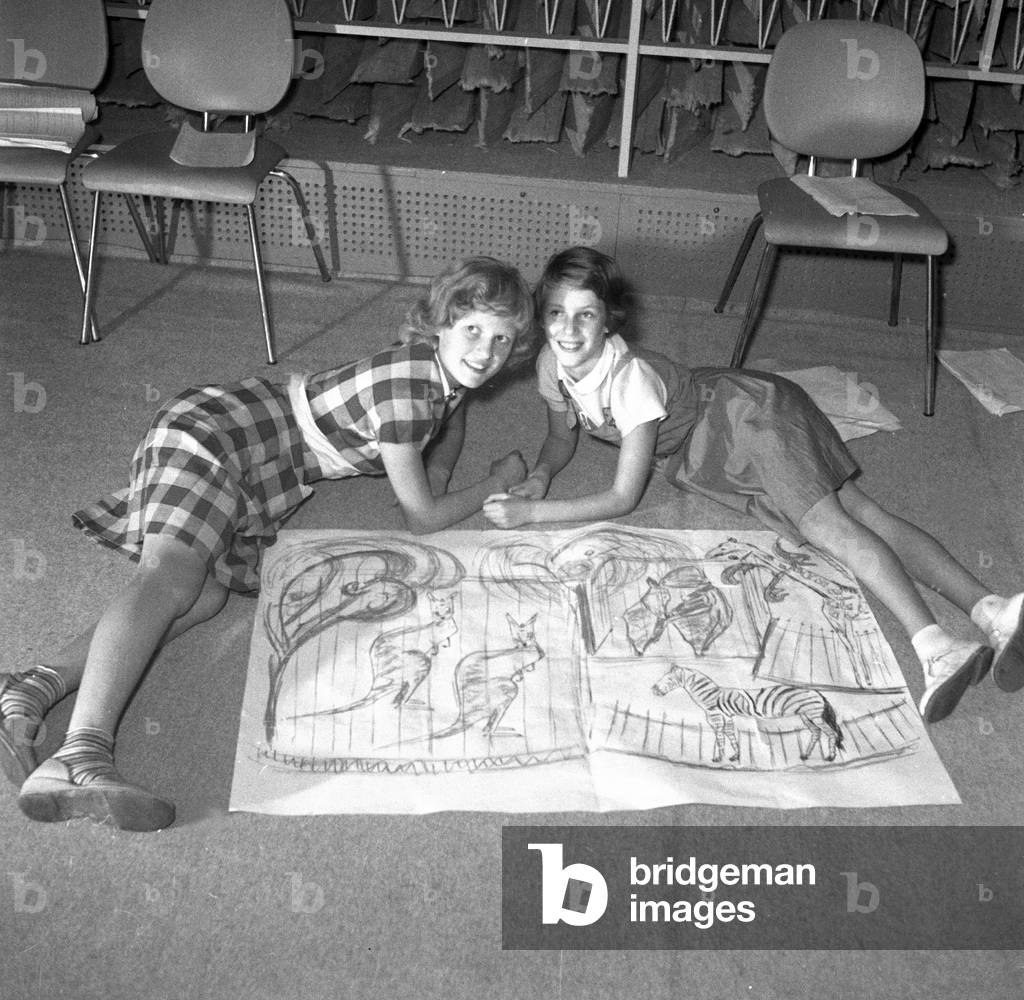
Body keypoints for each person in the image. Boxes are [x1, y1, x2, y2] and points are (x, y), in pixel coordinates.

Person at [0, 255, 536, 831]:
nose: (486, 351)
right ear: (438, 325)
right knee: (172, 577)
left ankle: (32, 686)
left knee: (205, 597)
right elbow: (423, 520)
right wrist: (497, 484)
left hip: (259, 459)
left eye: (502, 338)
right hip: (219, 435)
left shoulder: (439, 379)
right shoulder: (409, 390)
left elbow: (447, 427)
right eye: (473, 330)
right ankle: (81, 753)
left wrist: (443, 476)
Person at [483, 246, 1024, 725]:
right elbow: (560, 438)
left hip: (749, 420)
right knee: (864, 516)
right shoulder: (553, 364)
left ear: (608, 322)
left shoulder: (630, 385)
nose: (569, 329)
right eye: (556, 313)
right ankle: (993, 610)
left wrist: (533, 517)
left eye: (586, 315)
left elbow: (624, 498)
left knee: (829, 527)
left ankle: (936, 647)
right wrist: (538, 478)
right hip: (716, 440)